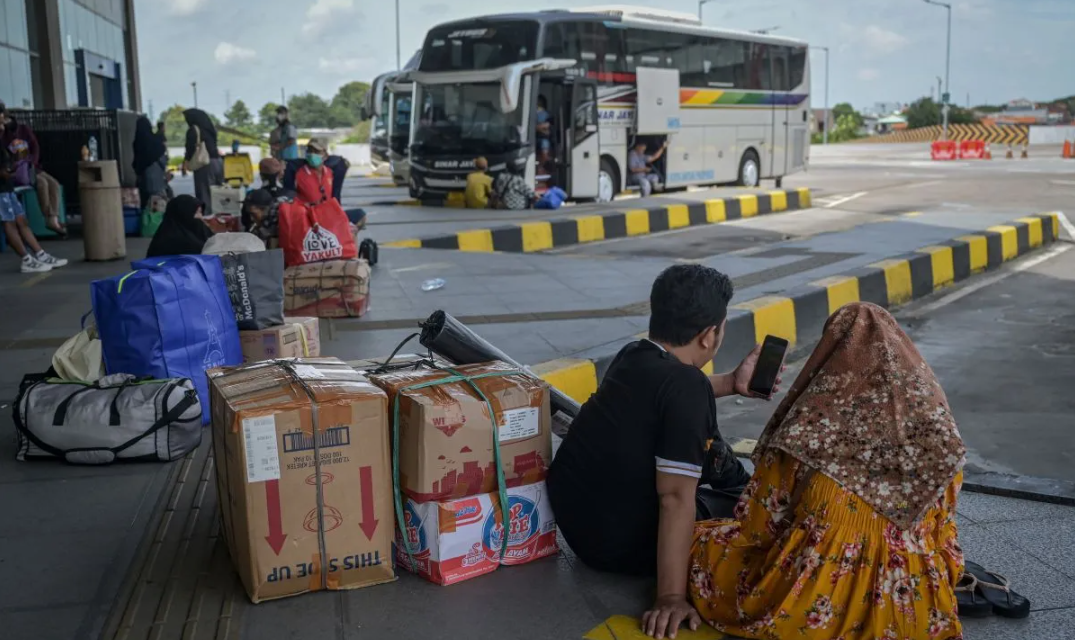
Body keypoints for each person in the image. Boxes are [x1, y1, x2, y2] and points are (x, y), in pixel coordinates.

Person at [674, 302, 967, 640]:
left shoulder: (810, 430)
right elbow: (946, 542)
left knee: (700, 543)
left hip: (810, 603)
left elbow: (758, 528)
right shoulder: (940, 442)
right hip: (913, 612)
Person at [548, 265, 769, 604]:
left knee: (702, 454)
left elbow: (667, 393)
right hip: (623, 546)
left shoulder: (634, 355)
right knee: (756, 507)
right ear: (709, 335)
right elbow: (675, 499)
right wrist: (670, 597)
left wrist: (730, 383)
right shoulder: (688, 387)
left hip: (580, 528)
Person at [0, 120, 68, 273]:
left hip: (8, 186)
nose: (2, 123)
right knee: (9, 223)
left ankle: (40, 254)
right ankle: (26, 259)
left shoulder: (6, 137)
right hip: (1, 189)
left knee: (21, 221)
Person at [0, 102, 64, 234]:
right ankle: (49, 218)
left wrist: (33, 163)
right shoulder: (3, 135)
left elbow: (35, 146)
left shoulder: (23, 129)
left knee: (54, 184)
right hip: (17, 171)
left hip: (31, 167)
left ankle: (53, 217)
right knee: (42, 184)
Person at [146, 194, 214, 258]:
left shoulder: (163, 234)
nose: (201, 217)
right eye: (196, 213)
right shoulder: (183, 243)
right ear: (184, 215)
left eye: (200, 212)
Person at [182, 108, 223, 214]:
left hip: (204, 163)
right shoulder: (210, 129)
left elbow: (190, 148)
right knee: (217, 193)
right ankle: (220, 218)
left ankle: (207, 220)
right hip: (218, 162)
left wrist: (185, 163)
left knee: (204, 194)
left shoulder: (193, 130)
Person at [133, 115, 168, 208]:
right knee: (157, 202)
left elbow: (136, 163)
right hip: (157, 177)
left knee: (146, 203)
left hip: (143, 178)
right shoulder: (156, 141)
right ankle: (157, 219)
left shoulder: (137, 142)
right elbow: (164, 159)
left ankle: (147, 220)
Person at [294, 139, 333, 206]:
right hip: (308, 214)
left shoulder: (330, 172)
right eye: (309, 150)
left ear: (325, 155)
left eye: (316, 151)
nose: (312, 154)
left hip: (327, 213)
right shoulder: (298, 174)